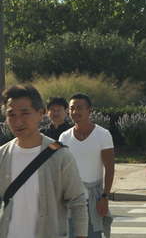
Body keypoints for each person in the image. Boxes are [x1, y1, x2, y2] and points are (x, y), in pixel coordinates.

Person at [0, 85, 88, 238]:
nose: (18, 121)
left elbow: (78, 201)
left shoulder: (60, 156)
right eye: (11, 114)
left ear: (40, 114)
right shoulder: (2, 155)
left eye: (25, 113)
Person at [59, 94, 114, 238]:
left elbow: (109, 169)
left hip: (93, 200)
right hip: (71, 200)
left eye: (79, 108)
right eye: (72, 108)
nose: (75, 112)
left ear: (89, 110)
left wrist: (105, 197)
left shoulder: (103, 134)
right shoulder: (64, 137)